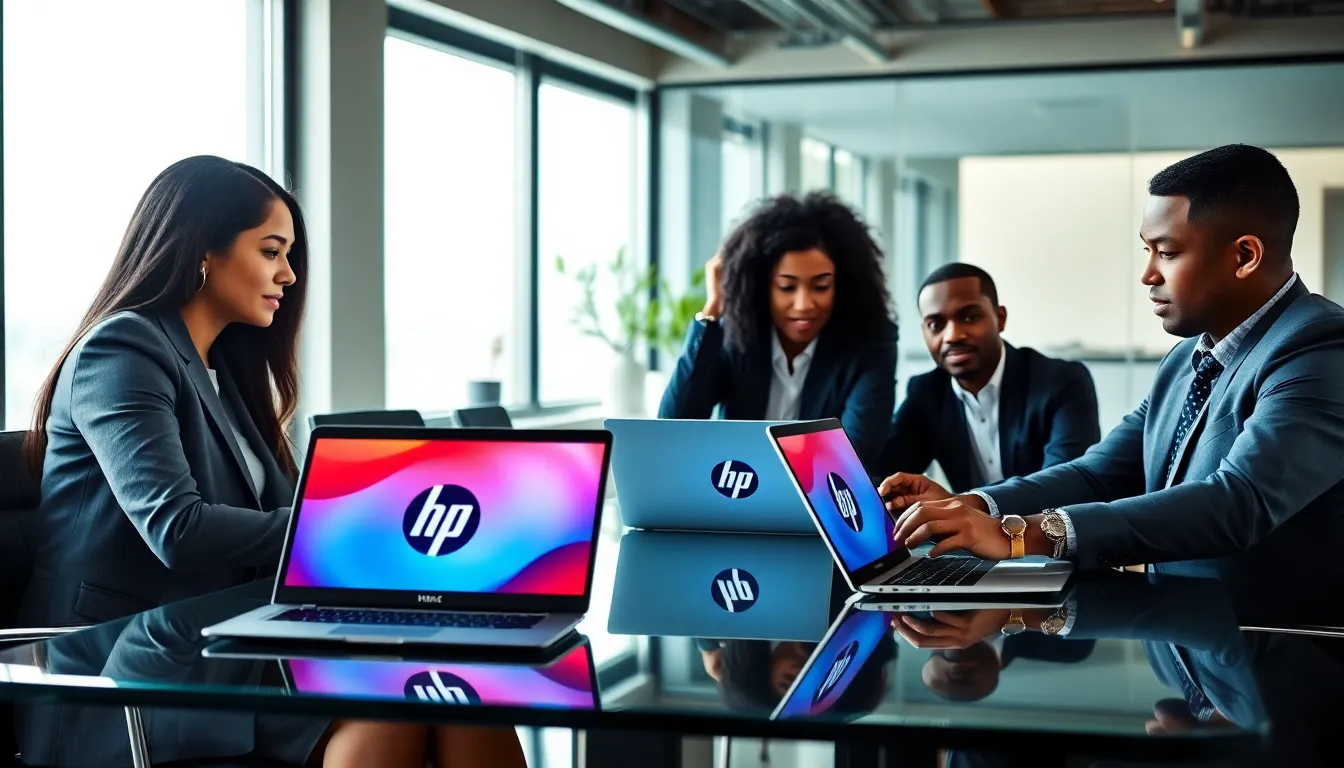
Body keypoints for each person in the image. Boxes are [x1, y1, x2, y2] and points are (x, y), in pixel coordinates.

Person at [17, 156, 522, 767]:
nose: (287, 274)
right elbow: (177, 529)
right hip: (115, 669)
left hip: (225, 638)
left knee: (450, 686)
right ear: (204, 248)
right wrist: (354, 522)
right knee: (397, 698)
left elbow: (284, 520)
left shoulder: (227, 370)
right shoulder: (121, 349)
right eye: (271, 251)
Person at [880, 145, 1344, 602]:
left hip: (1279, 651)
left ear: (1244, 256)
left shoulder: (1320, 347)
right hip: (1189, 642)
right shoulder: (1184, 361)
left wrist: (1018, 535)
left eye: (1166, 252)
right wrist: (973, 505)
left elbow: (1237, 503)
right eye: (1147, 250)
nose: (1147, 274)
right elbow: (1099, 474)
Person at [658, 192, 898, 470]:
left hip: (819, 503)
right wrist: (712, 311)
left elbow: (856, 456)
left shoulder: (871, 342)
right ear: (760, 285)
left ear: (843, 285)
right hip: (735, 497)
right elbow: (672, 426)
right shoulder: (734, 336)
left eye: (821, 286)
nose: (804, 304)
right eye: (786, 286)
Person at [878, 263, 1099, 491]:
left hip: (1046, 525)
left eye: (969, 317)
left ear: (1000, 318)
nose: (952, 336)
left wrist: (962, 505)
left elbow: (1065, 484)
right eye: (936, 325)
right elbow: (882, 474)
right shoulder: (926, 392)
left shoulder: (1063, 381)